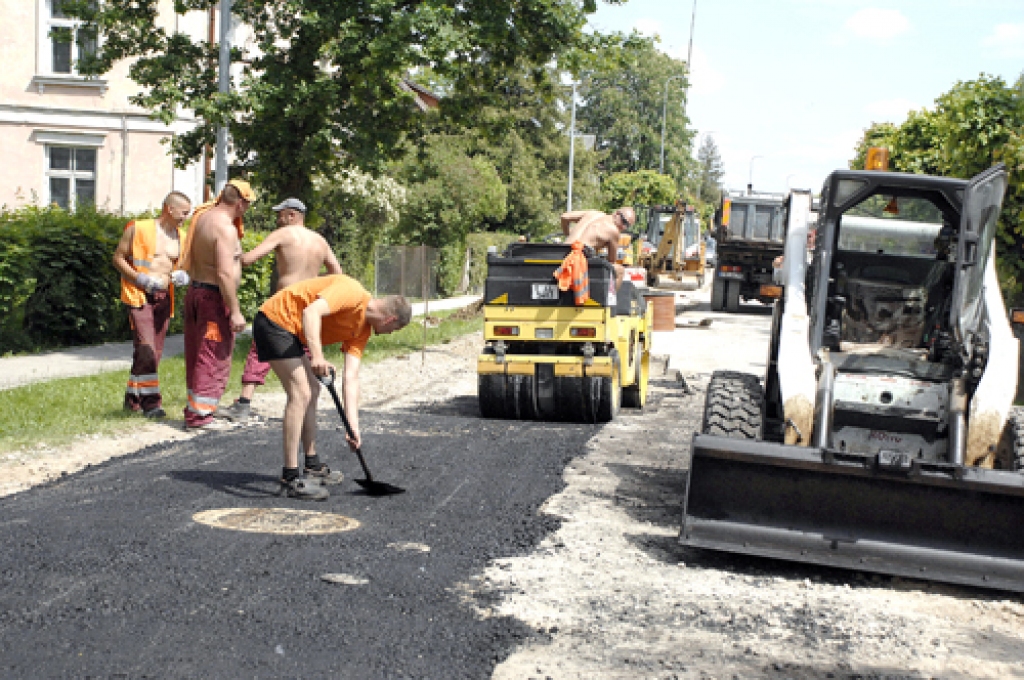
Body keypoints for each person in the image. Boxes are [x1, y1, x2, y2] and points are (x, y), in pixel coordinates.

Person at [253, 274, 411, 499]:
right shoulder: (352, 292)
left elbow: (351, 377)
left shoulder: (362, 330)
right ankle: (290, 478)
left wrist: (352, 426)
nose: (389, 334)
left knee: (313, 390)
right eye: (393, 330)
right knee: (301, 392)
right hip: (275, 320)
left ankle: (312, 466)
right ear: (390, 320)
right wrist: (317, 356)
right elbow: (311, 313)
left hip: (292, 332)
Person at [216, 197, 343, 422]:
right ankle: (306, 401)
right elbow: (337, 273)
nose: (277, 218)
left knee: (261, 347)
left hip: (284, 303)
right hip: (308, 304)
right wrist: (315, 282)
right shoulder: (320, 241)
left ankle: (243, 404)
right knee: (304, 348)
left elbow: (249, 259)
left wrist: (231, 254)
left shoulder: (284, 234)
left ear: (291, 215)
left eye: (280, 214)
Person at [112, 191, 193, 418]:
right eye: (184, 213)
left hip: (164, 297)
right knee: (147, 347)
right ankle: (152, 404)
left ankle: (132, 399)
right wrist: (140, 279)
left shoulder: (183, 237)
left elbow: (187, 266)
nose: (186, 217)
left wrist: (184, 275)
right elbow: (118, 258)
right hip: (138, 294)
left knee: (152, 352)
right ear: (169, 209)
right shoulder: (138, 228)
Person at [181, 178, 253, 430]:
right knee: (213, 354)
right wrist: (235, 311)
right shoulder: (225, 228)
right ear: (241, 203)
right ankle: (199, 417)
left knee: (198, 353)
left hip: (196, 291)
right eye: (248, 204)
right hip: (213, 298)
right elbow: (223, 273)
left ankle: (198, 408)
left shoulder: (204, 217)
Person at [556, 207, 637, 302]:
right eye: (624, 222)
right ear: (616, 213)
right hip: (578, 257)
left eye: (627, 226)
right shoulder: (613, 231)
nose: (623, 227)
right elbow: (611, 261)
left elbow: (564, 217)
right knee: (619, 271)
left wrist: (568, 235)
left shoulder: (593, 213)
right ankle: (607, 303)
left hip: (563, 253)